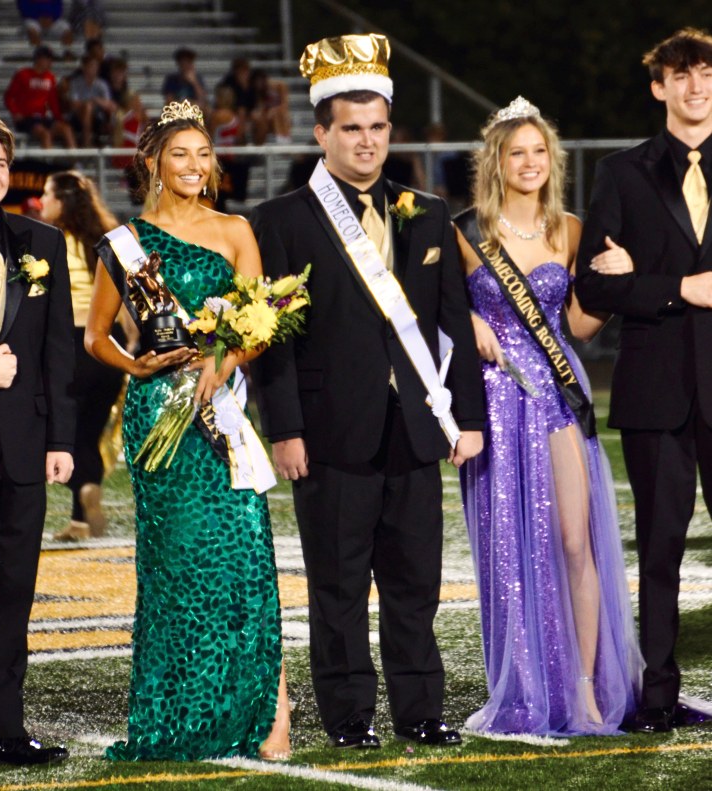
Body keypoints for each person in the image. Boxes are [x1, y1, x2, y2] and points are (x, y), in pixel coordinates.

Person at [250, 34, 486, 749]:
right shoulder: (282, 219)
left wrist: (466, 419)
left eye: (378, 127)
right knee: (340, 588)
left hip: (416, 427)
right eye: (350, 128)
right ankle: (350, 718)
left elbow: (454, 325)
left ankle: (421, 712)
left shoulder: (429, 210)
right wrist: (284, 428)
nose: (366, 141)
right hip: (329, 431)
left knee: (416, 586)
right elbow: (273, 340)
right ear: (322, 131)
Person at [84, 99, 290, 761]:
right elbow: (95, 337)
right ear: (153, 162)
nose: (196, 165)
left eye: (204, 154)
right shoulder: (126, 244)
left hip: (220, 412)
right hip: (158, 418)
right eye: (182, 154)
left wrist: (222, 361)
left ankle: (257, 718)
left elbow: (262, 320)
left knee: (241, 554)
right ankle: (179, 715)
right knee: (175, 566)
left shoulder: (235, 230)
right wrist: (134, 360)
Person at [454, 97, 643, 736]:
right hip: (495, 398)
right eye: (517, 153)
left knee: (572, 539)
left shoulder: (571, 229)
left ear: (550, 159)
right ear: (497, 162)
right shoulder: (465, 231)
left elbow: (580, 325)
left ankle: (586, 689)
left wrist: (619, 279)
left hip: (558, 394)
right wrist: (471, 319)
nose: (529, 162)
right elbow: (441, 314)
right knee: (510, 546)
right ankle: (527, 687)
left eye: (539, 151)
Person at [575, 28, 712, 734]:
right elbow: (592, 291)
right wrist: (682, 287)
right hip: (657, 392)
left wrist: (644, 278)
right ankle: (656, 695)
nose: (696, 86)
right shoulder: (621, 174)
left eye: (706, 73)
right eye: (680, 75)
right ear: (658, 86)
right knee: (660, 549)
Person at [0, 107, 75, 771]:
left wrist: (62, 438)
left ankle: (3, 727)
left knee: (10, 594)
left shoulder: (41, 243)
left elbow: (59, 350)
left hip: (26, 452)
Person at [39, 170, 129, 541]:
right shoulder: (107, 242)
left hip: (69, 346)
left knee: (59, 433)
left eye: (47, 195)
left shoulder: (48, 243)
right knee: (89, 433)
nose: (41, 202)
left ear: (62, 202)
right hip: (109, 347)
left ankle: (82, 497)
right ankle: (81, 512)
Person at [4, 45, 77, 150]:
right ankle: (48, 163)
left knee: (66, 129)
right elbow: (9, 96)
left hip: (41, 118)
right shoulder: (23, 75)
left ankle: (74, 162)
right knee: (45, 134)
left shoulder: (50, 77)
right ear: (40, 59)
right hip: (26, 118)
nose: (50, 63)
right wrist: (15, 112)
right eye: (48, 59)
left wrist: (59, 119)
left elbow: (53, 102)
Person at [66, 54, 115, 147]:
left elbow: (109, 104)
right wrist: (89, 104)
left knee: (114, 114)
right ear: (84, 67)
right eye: (91, 66)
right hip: (77, 117)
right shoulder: (76, 83)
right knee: (87, 108)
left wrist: (95, 100)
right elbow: (74, 104)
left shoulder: (102, 84)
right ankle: (87, 142)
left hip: (97, 117)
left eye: (95, 66)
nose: (93, 69)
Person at [247, 68, 292, 145]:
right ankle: (258, 146)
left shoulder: (278, 86)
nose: (258, 84)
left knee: (278, 114)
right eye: (256, 82)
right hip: (266, 118)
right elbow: (260, 109)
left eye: (260, 81)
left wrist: (274, 111)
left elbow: (285, 105)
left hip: (279, 116)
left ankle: (283, 140)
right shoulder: (257, 93)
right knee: (260, 120)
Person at [162, 47, 209, 118]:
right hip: (177, 110)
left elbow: (202, 99)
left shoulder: (198, 79)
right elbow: (169, 100)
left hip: (195, 109)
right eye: (183, 62)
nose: (186, 65)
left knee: (206, 110)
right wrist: (184, 105)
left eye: (188, 62)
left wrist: (194, 83)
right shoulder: (172, 79)